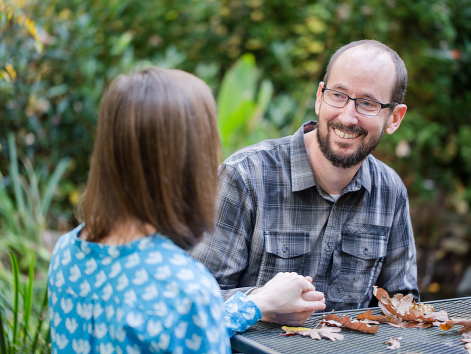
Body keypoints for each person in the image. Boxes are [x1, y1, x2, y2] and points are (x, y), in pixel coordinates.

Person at [47, 67, 326, 354]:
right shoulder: (184, 287)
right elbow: (185, 323)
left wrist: (257, 304)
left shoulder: (67, 251)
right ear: (190, 161)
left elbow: (168, 330)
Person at [189, 39, 419, 311]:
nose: (347, 117)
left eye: (367, 103)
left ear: (394, 118)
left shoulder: (390, 191)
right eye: (338, 95)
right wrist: (261, 307)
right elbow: (196, 297)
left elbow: (403, 306)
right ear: (320, 97)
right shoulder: (245, 176)